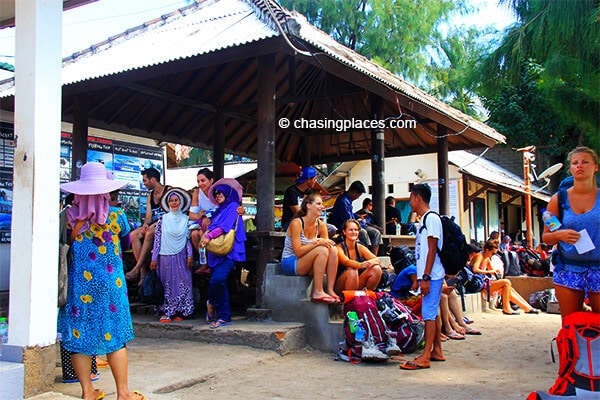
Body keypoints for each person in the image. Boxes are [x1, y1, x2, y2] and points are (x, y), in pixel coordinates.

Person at [58, 162, 145, 400]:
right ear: (106, 192)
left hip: (79, 288)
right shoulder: (117, 216)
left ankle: (87, 392)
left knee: (79, 337)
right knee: (115, 336)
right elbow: (127, 245)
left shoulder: (68, 217)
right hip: (111, 288)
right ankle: (124, 393)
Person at [542, 146, 599, 320]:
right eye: (575, 163)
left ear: (595, 167)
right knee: (570, 323)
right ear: (570, 168)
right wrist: (560, 235)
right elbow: (547, 237)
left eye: (585, 162)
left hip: (599, 267)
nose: (579, 166)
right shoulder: (558, 200)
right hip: (568, 267)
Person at [400, 183, 445, 370]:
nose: (410, 202)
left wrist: (425, 276)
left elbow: (432, 248)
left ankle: (426, 355)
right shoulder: (426, 219)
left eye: (411, 198)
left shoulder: (431, 219)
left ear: (418, 198)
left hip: (432, 274)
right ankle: (437, 350)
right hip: (429, 273)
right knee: (432, 311)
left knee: (428, 313)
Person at [200, 178, 247, 328]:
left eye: (221, 193)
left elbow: (225, 226)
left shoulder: (233, 206)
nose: (218, 195)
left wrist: (208, 236)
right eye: (216, 193)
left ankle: (212, 303)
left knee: (218, 280)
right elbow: (205, 224)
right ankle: (224, 316)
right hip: (215, 251)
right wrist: (203, 219)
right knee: (219, 283)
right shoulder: (217, 210)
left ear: (228, 193)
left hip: (229, 250)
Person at [280, 193, 339, 304]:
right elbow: (298, 251)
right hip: (291, 261)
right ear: (308, 206)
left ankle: (330, 290)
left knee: (333, 249)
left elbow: (327, 247)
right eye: (318, 203)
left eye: (322, 204)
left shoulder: (321, 225)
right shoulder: (297, 223)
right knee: (322, 249)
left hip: (308, 263)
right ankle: (318, 291)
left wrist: (320, 243)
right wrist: (316, 243)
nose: (322, 206)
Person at [150, 188, 194, 323]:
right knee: (166, 284)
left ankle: (180, 311)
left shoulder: (186, 220)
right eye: (171, 201)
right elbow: (157, 240)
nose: (174, 203)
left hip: (181, 255)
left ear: (181, 202)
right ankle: (165, 312)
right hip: (164, 257)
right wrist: (154, 258)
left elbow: (187, 239)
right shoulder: (163, 220)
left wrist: (190, 255)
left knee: (183, 282)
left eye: (176, 200)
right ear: (168, 203)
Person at [126, 167, 170, 286]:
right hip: (154, 224)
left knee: (150, 233)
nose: (144, 183)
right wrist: (146, 224)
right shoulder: (150, 196)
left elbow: (172, 213)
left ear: (152, 179)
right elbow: (149, 216)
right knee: (133, 235)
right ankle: (142, 271)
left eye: (145, 180)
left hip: (167, 223)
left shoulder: (169, 190)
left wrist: (155, 224)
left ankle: (136, 268)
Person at [471, 240, 540, 315]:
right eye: (492, 253)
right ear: (487, 250)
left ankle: (527, 307)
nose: (493, 255)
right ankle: (506, 308)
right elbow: (475, 269)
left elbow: (492, 270)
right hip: (478, 283)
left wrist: (497, 272)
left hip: (484, 282)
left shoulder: (486, 258)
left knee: (509, 288)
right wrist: (489, 272)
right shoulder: (480, 256)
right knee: (506, 282)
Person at [331, 181, 382, 255]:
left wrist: (358, 216)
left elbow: (350, 215)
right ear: (354, 192)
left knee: (376, 233)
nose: (358, 197)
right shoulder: (343, 201)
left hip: (352, 224)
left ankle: (373, 257)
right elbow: (348, 220)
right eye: (358, 195)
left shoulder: (348, 200)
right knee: (363, 233)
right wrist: (359, 224)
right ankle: (364, 257)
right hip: (344, 227)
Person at [335, 219, 382, 293]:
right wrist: (360, 265)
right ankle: (350, 301)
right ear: (344, 232)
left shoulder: (360, 247)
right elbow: (346, 261)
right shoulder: (338, 248)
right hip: (341, 284)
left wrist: (368, 263)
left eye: (356, 230)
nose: (354, 232)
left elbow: (377, 260)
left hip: (356, 282)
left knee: (376, 269)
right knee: (352, 271)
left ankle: (367, 296)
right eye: (351, 230)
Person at [281, 166, 317, 232]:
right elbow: (297, 212)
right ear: (309, 180)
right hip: (291, 222)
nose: (315, 181)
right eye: (314, 179)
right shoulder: (291, 191)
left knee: (331, 229)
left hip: (307, 222)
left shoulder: (308, 192)